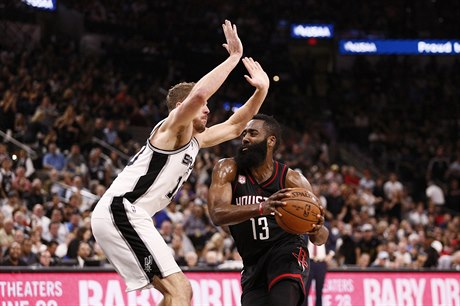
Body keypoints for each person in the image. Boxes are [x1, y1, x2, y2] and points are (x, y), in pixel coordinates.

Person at [91, 20, 270, 305]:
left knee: (177, 294)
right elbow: (199, 94)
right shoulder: (170, 129)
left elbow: (236, 126)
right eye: (203, 108)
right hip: (121, 212)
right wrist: (233, 58)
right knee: (180, 291)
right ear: (181, 109)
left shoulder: (195, 140)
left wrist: (262, 90)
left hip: (130, 216)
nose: (208, 110)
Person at [208, 114, 329, 306]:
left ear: (270, 140)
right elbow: (217, 214)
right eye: (244, 133)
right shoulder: (228, 168)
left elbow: (320, 238)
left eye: (253, 133)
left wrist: (316, 228)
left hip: (286, 252)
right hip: (252, 262)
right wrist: (261, 207)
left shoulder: (292, 180)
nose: (245, 138)